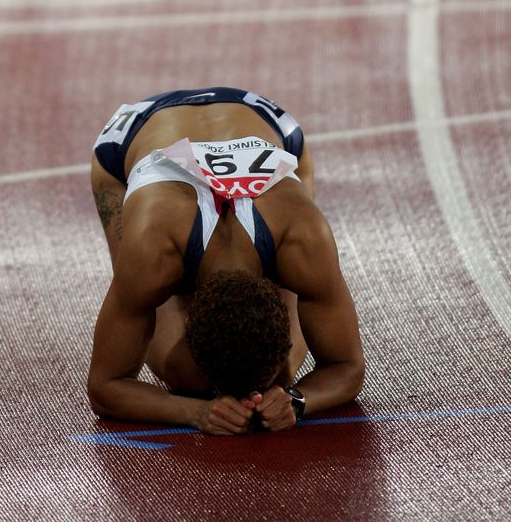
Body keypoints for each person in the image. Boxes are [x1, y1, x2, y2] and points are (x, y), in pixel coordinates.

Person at [87, 87, 365, 435]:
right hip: (129, 138)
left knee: (279, 376)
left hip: (263, 119)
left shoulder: (304, 239)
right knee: (186, 377)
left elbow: (348, 366)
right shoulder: (154, 251)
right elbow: (105, 385)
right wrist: (195, 410)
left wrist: (294, 399)